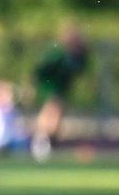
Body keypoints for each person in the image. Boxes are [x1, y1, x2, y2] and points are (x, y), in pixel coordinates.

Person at [30, 23, 88, 161]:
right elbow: (41, 70)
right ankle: (40, 143)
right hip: (49, 87)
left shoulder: (77, 56)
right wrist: (33, 85)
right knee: (50, 114)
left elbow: (80, 69)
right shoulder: (58, 53)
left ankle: (48, 144)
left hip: (61, 89)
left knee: (57, 118)